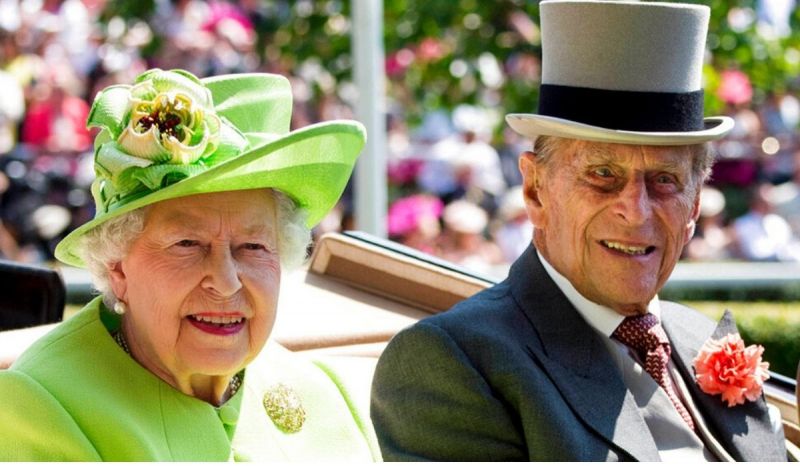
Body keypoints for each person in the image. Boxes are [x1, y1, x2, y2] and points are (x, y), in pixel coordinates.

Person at [371, 1, 788, 461]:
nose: (635, 209)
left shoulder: (698, 336)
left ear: (693, 206)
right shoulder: (455, 362)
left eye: (664, 180)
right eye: (603, 174)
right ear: (535, 190)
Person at [0, 68, 380, 461]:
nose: (226, 281)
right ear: (117, 266)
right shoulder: (38, 408)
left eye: (253, 246)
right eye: (187, 244)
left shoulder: (327, 395)